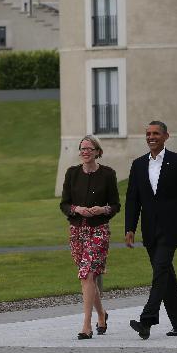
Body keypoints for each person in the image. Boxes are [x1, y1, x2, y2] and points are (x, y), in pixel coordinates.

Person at [125, 120, 177, 339]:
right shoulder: (138, 164)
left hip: (172, 228)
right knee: (166, 277)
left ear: (166, 136)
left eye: (156, 133)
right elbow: (132, 200)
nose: (151, 137)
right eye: (148, 133)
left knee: (160, 271)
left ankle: (146, 321)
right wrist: (130, 228)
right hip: (149, 230)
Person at [60, 135, 120, 340]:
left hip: (98, 230)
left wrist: (102, 209)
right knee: (88, 277)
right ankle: (101, 314)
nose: (85, 152)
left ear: (97, 151)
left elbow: (115, 205)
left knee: (86, 275)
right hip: (77, 231)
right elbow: (64, 204)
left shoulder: (108, 174)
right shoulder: (72, 173)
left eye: (89, 148)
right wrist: (77, 209)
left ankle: (86, 325)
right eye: (82, 149)